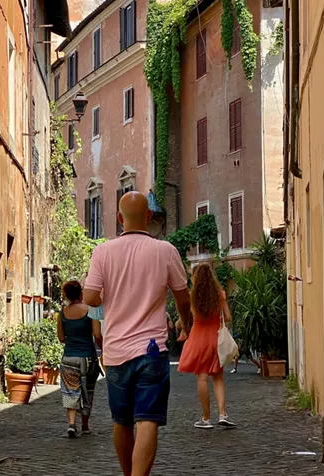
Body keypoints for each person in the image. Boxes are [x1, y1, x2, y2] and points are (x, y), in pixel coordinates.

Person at [83, 191, 191, 476]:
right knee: (148, 421)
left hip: (116, 352)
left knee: (121, 421)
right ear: (149, 217)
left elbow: (90, 297)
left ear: (120, 218)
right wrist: (186, 325)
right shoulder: (165, 250)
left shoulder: (102, 252)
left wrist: (107, 294)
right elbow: (182, 297)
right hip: (152, 351)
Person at [177, 263, 237, 429]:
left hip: (197, 339)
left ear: (196, 278)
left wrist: (182, 328)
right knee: (218, 377)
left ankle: (206, 418)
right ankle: (223, 414)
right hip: (215, 338)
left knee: (202, 377)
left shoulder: (191, 296)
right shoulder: (220, 295)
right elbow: (228, 317)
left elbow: (184, 318)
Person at [56, 280, 103, 438]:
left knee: (70, 391)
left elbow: (61, 338)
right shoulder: (91, 311)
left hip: (68, 358)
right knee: (88, 390)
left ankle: (71, 424)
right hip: (88, 358)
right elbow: (97, 335)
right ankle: (85, 425)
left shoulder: (62, 314)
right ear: (81, 293)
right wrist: (104, 349)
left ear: (67, 295)